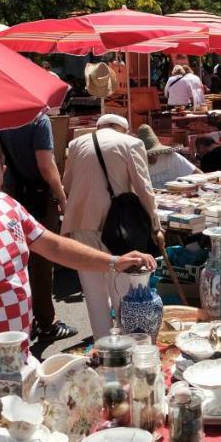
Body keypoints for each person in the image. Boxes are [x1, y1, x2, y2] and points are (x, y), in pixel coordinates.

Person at [0, 133, 154, 368]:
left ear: (2, 172)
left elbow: (52, 245)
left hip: (17, 360)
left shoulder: (5, 205)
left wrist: (113, 261)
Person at [61, 114, 162, 337]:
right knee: (122, 287)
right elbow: (143, 187)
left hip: (80, 223)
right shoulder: (131, 143)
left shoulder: (76, 144)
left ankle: (103, 346)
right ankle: (128, 342)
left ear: (98, 127)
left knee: (93, 291)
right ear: (123, 129)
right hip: (118, 225)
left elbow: (67, 183)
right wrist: (155, 225)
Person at [0, 114, 75, 341]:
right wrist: (61, 195)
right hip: (37, 196)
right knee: (42, 258)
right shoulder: (39, 120)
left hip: (7, 193)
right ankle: (46, 323)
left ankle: (18, 323)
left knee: (13, 259)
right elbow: (45, 164)